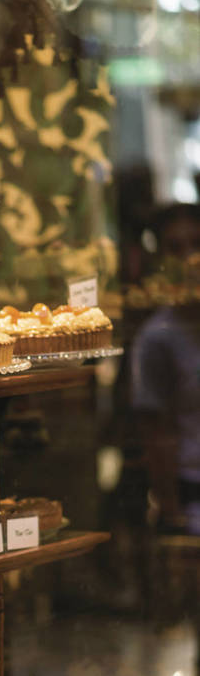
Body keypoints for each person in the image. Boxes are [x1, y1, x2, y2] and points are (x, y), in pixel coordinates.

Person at [131, 204, 200, 534]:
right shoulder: (157, 338)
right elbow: (156, 431)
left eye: (196, 244)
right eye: (175, 247)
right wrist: (172, 512)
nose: (189, 257)